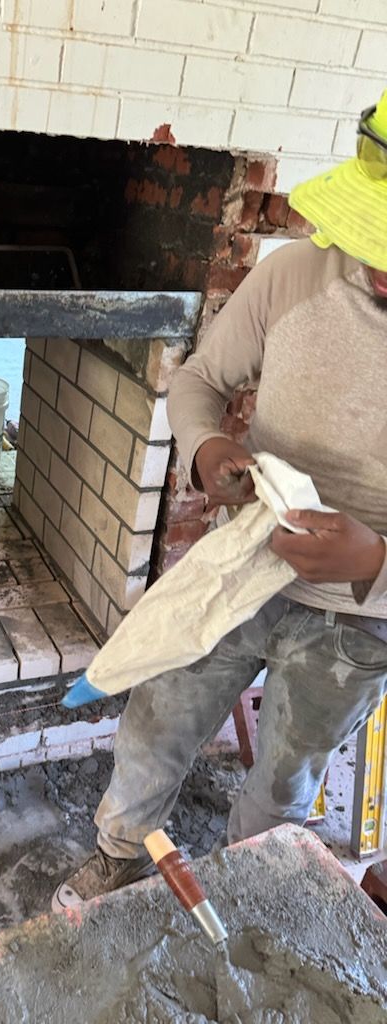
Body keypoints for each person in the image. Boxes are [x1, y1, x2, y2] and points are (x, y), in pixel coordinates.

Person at [52, 91, 387, 912]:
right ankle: (121, 854)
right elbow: (199, 380)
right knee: (158, 714)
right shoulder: (294, 277)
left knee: (287, 775)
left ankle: (245, 891)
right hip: (244, 565)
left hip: (358, 612)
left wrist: (373, 560)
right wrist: (207, 449)